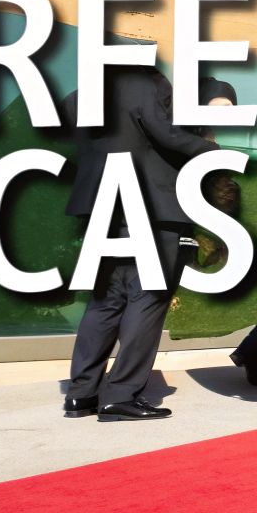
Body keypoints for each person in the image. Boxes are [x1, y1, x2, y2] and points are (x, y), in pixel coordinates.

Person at [61, 65, 217, 421]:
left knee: (105, 301)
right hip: (152, 206)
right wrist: (211, 150)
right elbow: (167, 135)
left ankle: (80, 393)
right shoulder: (140, 83)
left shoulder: (81, 97)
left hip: (103, 206)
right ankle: (120, 393)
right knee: (149, 298)